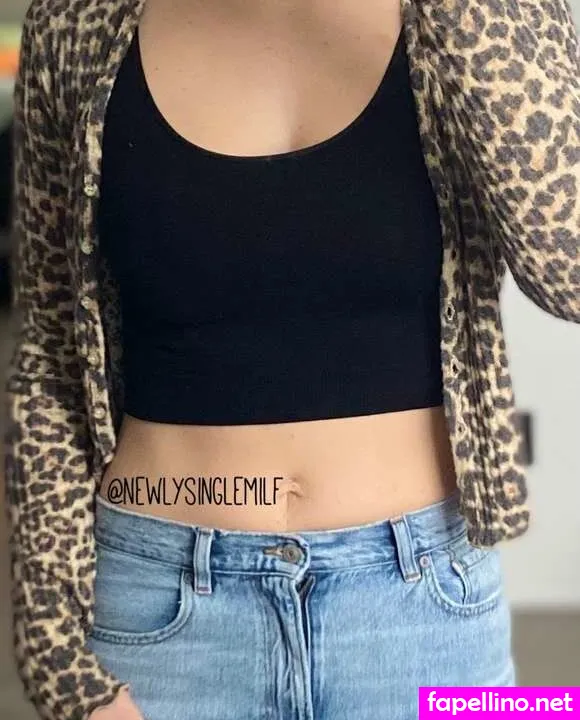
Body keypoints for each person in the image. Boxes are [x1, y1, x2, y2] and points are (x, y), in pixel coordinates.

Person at [3, 0, 580, 718]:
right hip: (164, 620)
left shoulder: (484, 13)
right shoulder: (79, 20)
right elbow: (50, 351)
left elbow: (569, 274)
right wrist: (59, 663)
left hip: (425, 614)